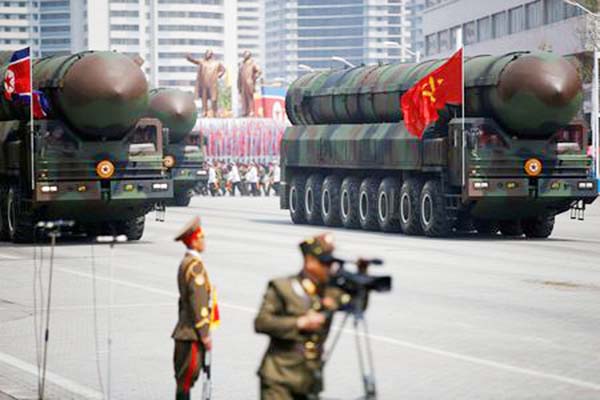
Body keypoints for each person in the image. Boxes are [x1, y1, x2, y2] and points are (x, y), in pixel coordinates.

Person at [254, 234, 350, 400]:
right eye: (325, 263)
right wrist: (299, 323)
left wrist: (363, 273)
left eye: (331, 263)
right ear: (310, 262)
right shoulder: (283, 287)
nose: (330, 268)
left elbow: (356, 305)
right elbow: (262, 323)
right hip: (280, 377)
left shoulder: (329, 291)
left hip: (309, 378)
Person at [172, 217, 213, 400]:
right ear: (194, 240)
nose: (204, 241)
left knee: (184, 380)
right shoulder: (195, 266)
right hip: (191, 333)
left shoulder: (186, 262)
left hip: (185, 329)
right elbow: (198, 303)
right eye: (202, 237)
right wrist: (204, 334)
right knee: (186, 381)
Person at [186, 50, 226, 118]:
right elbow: (195, 61)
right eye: (206, 53)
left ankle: (215, 112)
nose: (206, 55)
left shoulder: (217, 63)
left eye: (208, 53)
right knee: (204, 99)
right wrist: (189, 57)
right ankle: (205, 112)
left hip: (213, 84)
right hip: (204, 84)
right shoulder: (202, 62)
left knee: (214, 99)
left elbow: (223, 69)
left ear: (211, 55)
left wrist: (220, 75)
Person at [238, 50, 262, 117]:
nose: (244, 55)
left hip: (249, 83)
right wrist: (239, 85)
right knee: (244, 98)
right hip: (243, 84)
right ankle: (245, 111)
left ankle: (251, 111)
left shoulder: (253, 63)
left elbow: (259, 71)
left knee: (250, 98)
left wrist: (255, 76)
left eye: (246, 54)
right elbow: (239, 76)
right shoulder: (241, 64)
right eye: (244, 54)